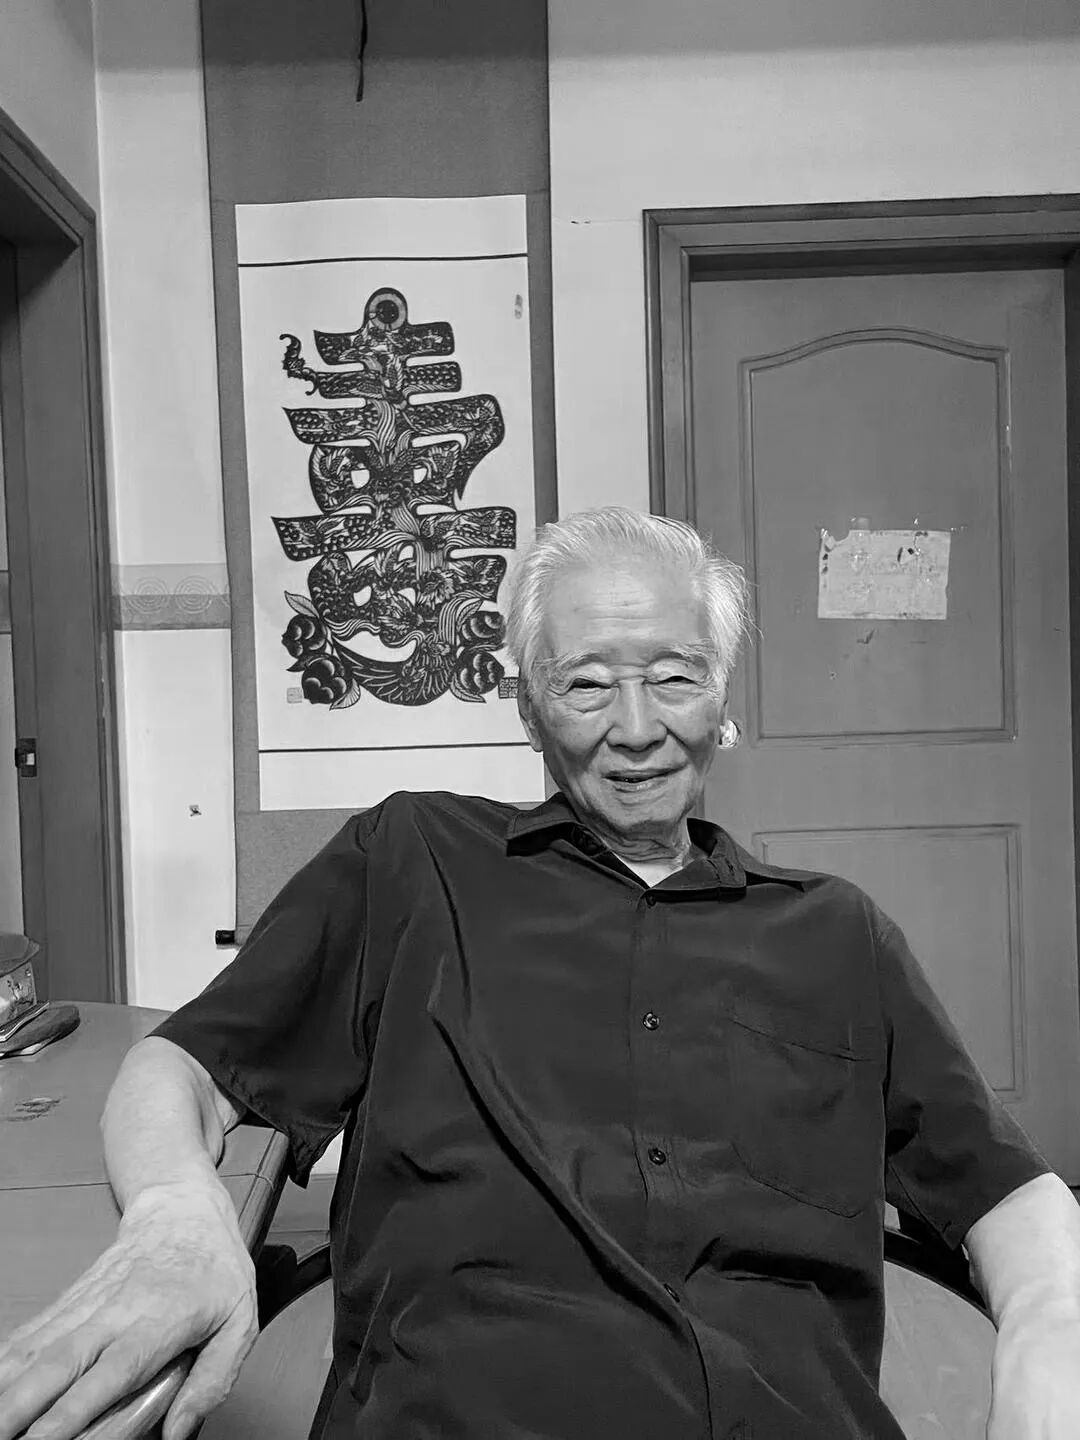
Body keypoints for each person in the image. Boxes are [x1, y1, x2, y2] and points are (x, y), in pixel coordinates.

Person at [1, 506, 1078, 1440]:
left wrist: (1050, 1324)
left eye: (675, 678)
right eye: (587, 685)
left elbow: (1005, 1188)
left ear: (722, 700)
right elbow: (182, 1069)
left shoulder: (838, 931)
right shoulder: (413, 862)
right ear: (527, 709)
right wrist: (175, 1218)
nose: (637, 730)